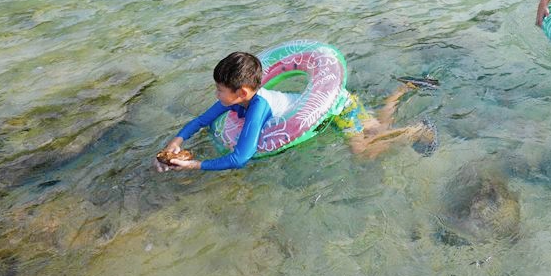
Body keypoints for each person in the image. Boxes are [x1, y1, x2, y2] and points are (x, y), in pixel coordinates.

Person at [155, 52, 437, 171]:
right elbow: (201, 121)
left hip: (336, 108)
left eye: (219, 89)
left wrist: (193, 165)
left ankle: (416, 131)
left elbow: (241, 157)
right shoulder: (237, 99)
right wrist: (175, 144)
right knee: (377, 130)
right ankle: (404, 89)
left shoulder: (258, 107)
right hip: (340, 101)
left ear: (241, 92)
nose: (216, 94)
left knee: (364, 153)